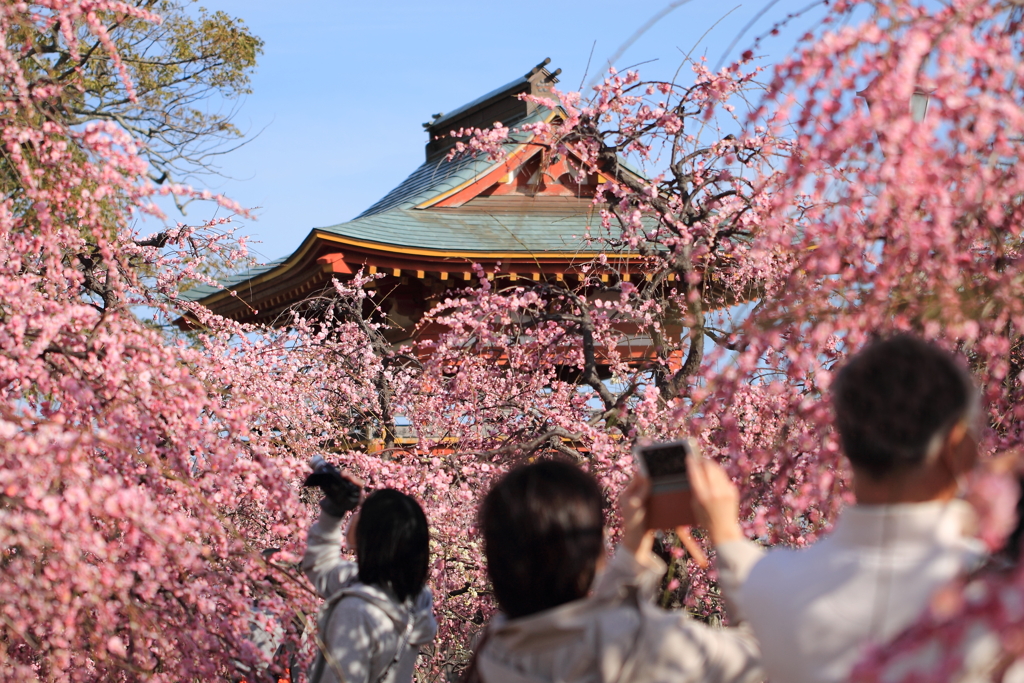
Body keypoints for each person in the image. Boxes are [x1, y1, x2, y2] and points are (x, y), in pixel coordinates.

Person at [689, 334, 987, 683]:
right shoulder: (996, 590)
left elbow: (752, 583)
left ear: (843, 441)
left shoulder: (773, 588)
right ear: (960, 449)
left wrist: (724, 531)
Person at [468, 458, 763, 683]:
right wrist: (726, 535)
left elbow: (582, 626)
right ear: (594, 552)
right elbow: (764, 649)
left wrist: (633, 550)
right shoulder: (652, 643)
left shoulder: (493, 651)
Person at [303, 458, 437, 683]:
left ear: (371, 535)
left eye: (361, 513)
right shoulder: (412, 598)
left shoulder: (357, 611)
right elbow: (321, 567)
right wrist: (333, 512)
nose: (354, 515)